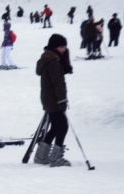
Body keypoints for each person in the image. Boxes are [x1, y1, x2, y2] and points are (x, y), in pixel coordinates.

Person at [34, 34, 72, 167]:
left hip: (48, 98)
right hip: (54, 99)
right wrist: (62, 100)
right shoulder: (54, 64)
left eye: (65, 47)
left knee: (56, 126)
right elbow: (58, 83)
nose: (64, 49)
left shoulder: (48, 60)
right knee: (63, 126)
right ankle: (55, 158)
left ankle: (41, 156)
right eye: (62, 47)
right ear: (55, 47)